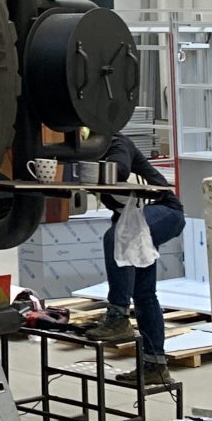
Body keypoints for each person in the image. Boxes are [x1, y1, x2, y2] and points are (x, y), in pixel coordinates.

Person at [80, 134, 185, 388]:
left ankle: (118, 315)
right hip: (134, 218)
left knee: (115, 237)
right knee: (144, 293)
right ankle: (155, 366)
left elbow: (120, 170)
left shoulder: (115, 142)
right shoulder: (83, 153)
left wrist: (84, 168)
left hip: (165, 211)